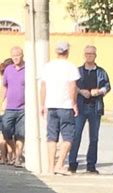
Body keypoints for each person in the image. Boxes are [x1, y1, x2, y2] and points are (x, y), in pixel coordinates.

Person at [68, 45, 111, 174]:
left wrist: (99, 92)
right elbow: (72, 86)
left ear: (95, 55)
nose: (89, 56)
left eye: (92, 54)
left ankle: (91, 165)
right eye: (87, 53)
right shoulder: (78, 71)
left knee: (94, 137)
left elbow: (107, 86)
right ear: (84, 55)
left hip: (95, 107)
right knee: (76, 136)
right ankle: (72, 163)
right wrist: (81, 91)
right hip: (80, 107)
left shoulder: (101, 72)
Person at [40, 41, 80, 175]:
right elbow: (72, 87)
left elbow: (43, 86)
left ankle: (51, 167)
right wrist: (74, 103)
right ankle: (60, 164)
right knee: (68, 137)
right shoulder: (71, 67)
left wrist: (42, 104)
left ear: (57, 52)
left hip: (51, 105)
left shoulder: (48, 67)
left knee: (52, 137)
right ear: (67, 52)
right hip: (65, 105)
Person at [1, 46, 26, 167]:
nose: (15, 58)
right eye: (13, 56)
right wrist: (1, 101)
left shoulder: (28, 69)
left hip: (23, 108)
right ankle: (16, 153)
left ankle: (18, 158)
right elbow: (4, 86)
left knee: (20, 134)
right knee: (6, 132)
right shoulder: (8, 69)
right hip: (9, 107)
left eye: (18, 55)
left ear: (22, 56)